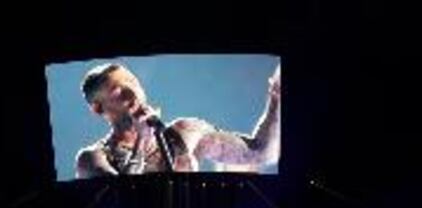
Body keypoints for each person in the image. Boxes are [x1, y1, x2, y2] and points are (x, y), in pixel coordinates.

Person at [74, 62, 280, 178]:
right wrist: (141, 142)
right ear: (98, 108)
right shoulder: (92, 159)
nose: (132, 92)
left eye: (132, 82)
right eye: (118, 91)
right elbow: (125, 200)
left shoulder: (185, 133)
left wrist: (276, 98)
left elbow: (262, 153)